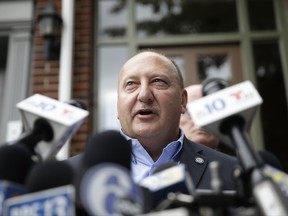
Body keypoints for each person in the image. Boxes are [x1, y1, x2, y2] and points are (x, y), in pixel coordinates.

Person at [66, 50, 238, 190]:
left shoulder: (234, 172)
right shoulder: (68, 177)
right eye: (131, 84)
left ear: (182, 101)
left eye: (158, 82)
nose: (144, 95)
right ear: (118, 104)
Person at [179, 84, 220, 150]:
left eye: (208, 112)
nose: (199, 122)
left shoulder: (240, 158)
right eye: (190, 113)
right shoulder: (160, 158)